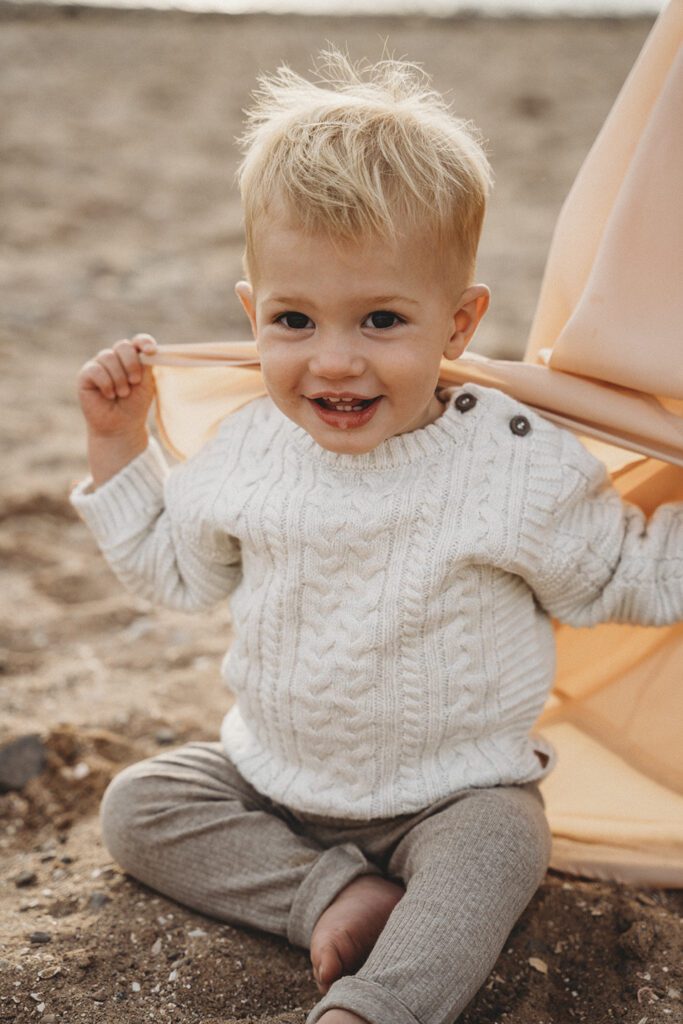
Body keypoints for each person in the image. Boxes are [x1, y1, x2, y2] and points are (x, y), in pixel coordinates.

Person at [70, 50, 683, 1024]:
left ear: (459, 321)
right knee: (139, 804)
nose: (335, 359)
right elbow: (174, 574)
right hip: (272, 778)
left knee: (502, 850)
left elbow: (617, 572)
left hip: (455, 790)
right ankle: (326, 893)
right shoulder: (246, 452)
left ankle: (376, 1005)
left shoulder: (511, 464)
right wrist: (116, 444)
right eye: (295, 319)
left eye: (382, 319)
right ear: (251, 314)